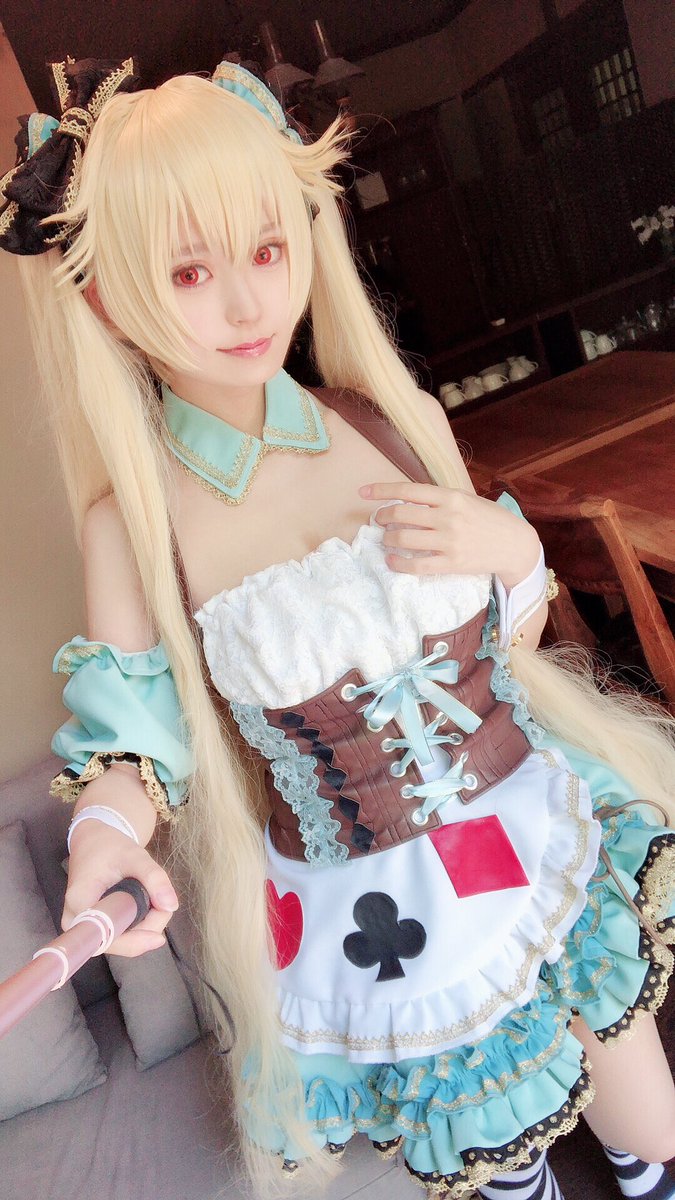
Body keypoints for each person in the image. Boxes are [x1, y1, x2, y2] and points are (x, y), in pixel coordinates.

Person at [1, 56, 674, 1200]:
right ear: (108, 295)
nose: (248, 305)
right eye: (190, 271)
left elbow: (509, 643)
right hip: (385, 919)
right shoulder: (139, 523)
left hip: (528, 825)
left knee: (652, 1131)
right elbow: (133, 743)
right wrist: (104, 840)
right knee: (511, 1172)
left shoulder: (384, 418)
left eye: (268, 251)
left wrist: (509, 552)